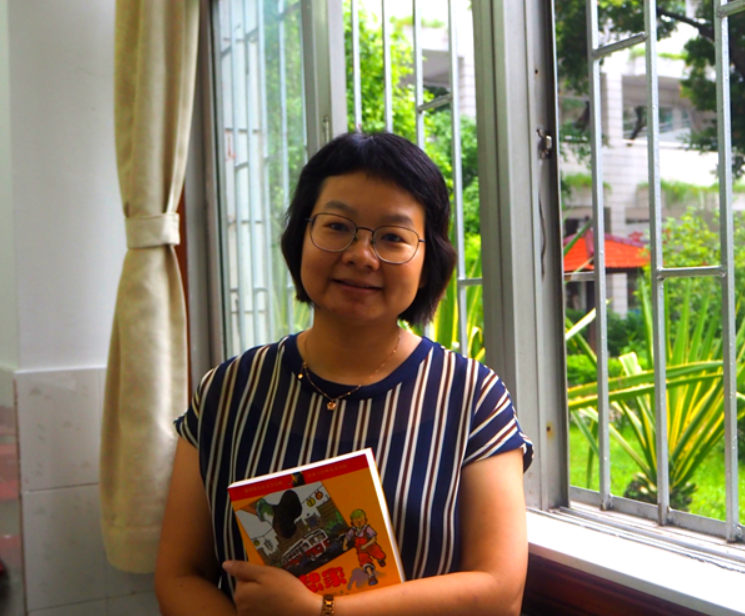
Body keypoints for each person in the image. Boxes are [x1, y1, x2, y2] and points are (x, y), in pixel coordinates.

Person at [155, 132, 533, 616]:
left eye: (392, 236)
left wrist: (322, 612)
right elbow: (179, 574)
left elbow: (499, 591)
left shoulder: (472, 396)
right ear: (301, 236)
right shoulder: (227, 390)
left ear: (427, 262)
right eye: (337, 227)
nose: (361, 255)